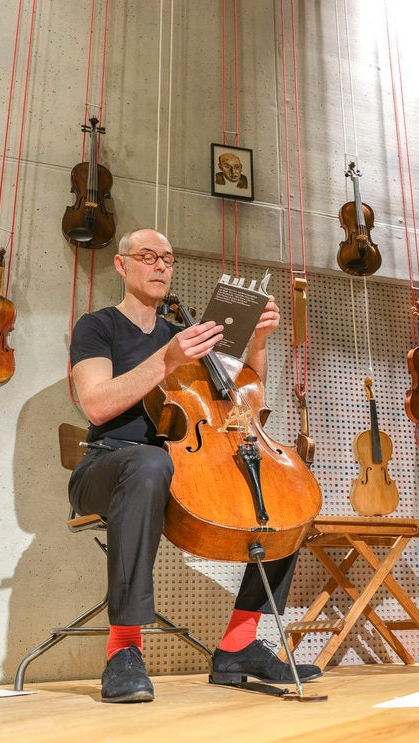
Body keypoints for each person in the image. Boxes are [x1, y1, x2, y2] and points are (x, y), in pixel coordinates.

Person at [68, 228, 320, 703]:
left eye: (168, 258)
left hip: (181, 470)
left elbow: (239, 408)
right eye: (148, 256)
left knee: (284, 486)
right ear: (122, 266)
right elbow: (96, 406)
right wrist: (167, 359)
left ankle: (239, 645)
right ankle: (123, 650)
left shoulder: (185, 334)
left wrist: (259, 344)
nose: (161, 265)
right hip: (108, 469)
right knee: (147, 463)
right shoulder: (98, 326)